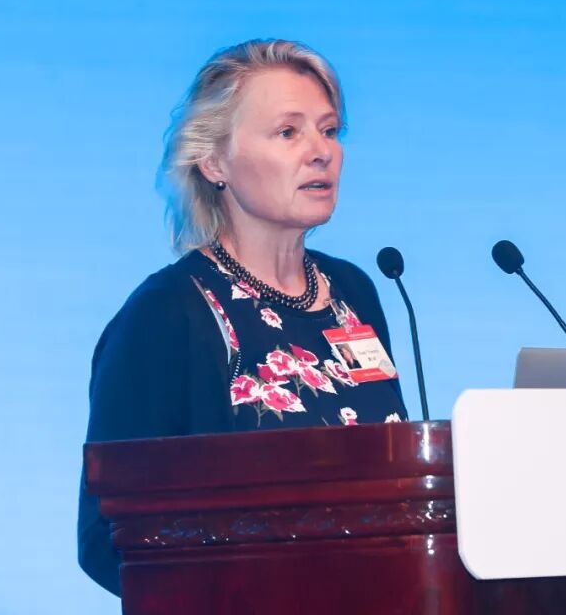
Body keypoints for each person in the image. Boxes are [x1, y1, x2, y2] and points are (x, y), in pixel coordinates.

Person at [77, 39, 409, 596]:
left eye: (330, 130)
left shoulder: (353, 291)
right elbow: (107, 537)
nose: (321, 152)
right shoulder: (168, 314)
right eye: (288, 132)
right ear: (214, 162)